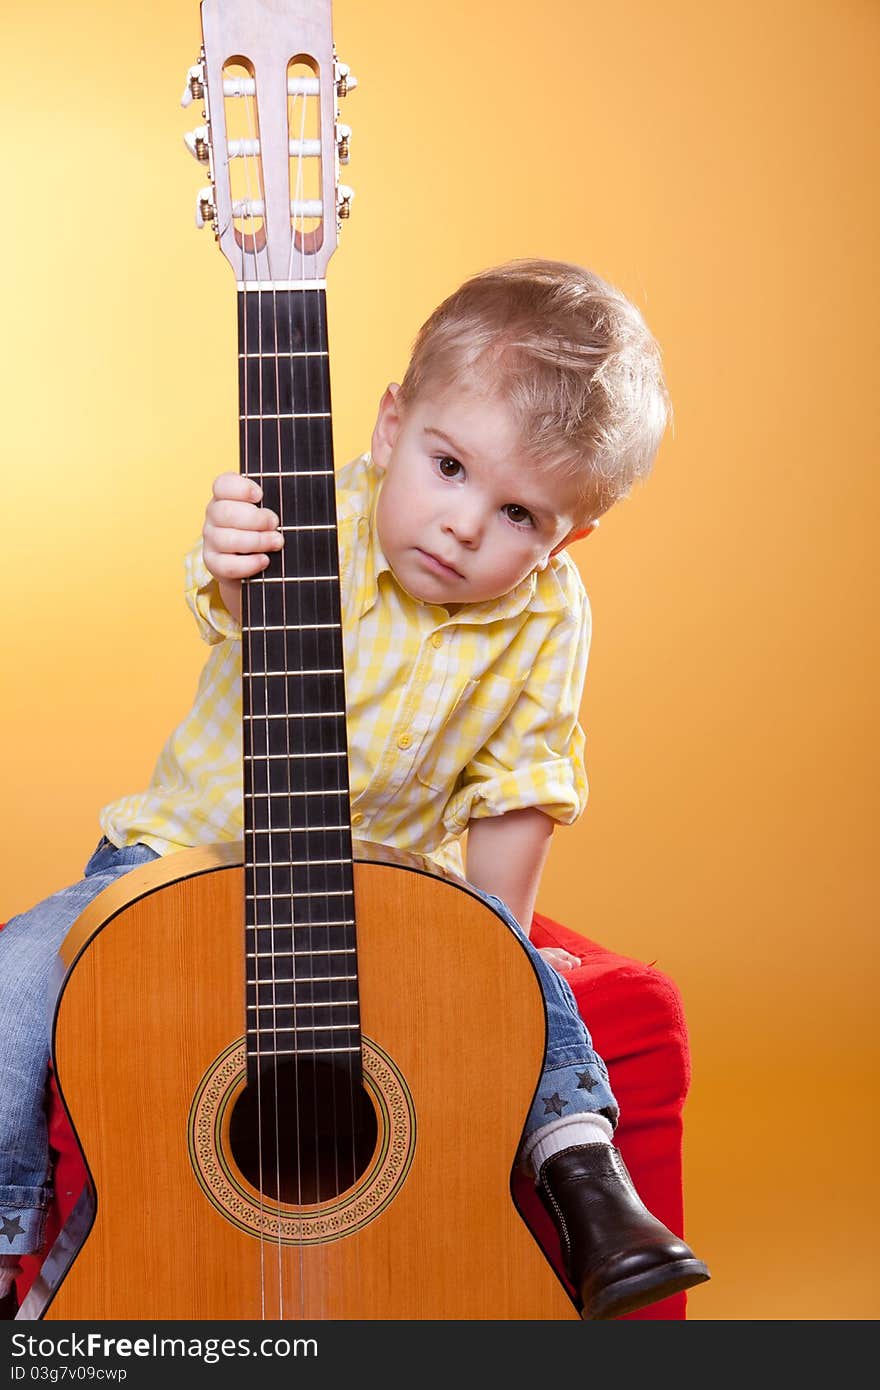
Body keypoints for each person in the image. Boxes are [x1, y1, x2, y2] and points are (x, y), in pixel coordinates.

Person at [0, 259, 709, 1321]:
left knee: (535, 989)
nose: (466, 524)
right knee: (17, 970)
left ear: (572, 538)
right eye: (448, 466)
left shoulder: (550, 613)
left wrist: (500, 946)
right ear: (389, 427)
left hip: (386, 888)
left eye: (520, 512)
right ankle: (13, 1230)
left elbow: (521, 780)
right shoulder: (310, 511)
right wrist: (235, 559)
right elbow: (234, 600)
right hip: (182, 856)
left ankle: (588, 1184)